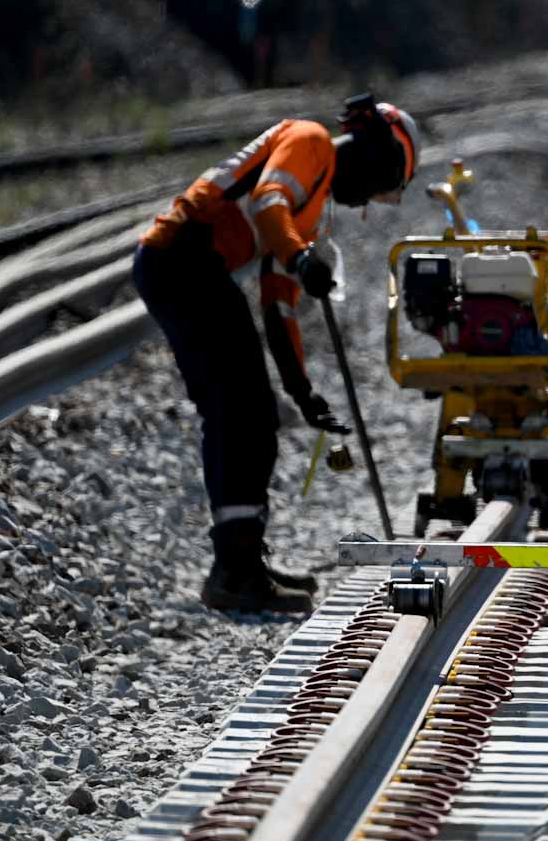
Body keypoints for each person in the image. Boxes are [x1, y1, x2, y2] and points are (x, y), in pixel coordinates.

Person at [135, 94, 419, 613]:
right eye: (381, 187)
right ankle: (235, 572)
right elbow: (268, 203)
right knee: (239, 412)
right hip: (181, 259)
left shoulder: (310, 211)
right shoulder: (310, 141)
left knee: (252, 412)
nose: (365, 202)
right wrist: (299, 256)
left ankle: (241, 563)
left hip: (196, 269)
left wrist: (301, 388)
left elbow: (279, 300)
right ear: (380, 156)